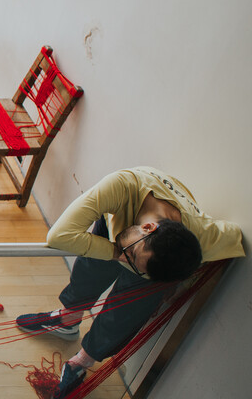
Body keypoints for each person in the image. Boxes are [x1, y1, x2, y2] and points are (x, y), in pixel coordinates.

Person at [17, 167, 243, 398]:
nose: (127, 261)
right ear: (147, 228)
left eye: (133, 262)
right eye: (132, 255)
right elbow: (59, 236)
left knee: (125, 312)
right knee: (90, 269)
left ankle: (82, 362)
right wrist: (115, 253)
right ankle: (68, 319)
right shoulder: (123, 187)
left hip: (154, 255)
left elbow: (235, 236)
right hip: (121, 223)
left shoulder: (203, 237)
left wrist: (178, 284)